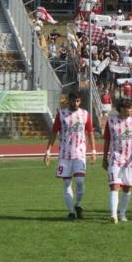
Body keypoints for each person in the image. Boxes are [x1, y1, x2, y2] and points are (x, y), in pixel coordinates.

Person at [44, 92, 97, 220]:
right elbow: (54, 132)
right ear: (69, 101)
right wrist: (48, 151)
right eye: (73, 101)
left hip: (79, 153)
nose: (76, 103)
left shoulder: (85, 114)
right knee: (67, 184)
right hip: (64, 155)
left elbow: (90, 133)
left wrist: (94, 150)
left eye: (78, 101)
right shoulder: (61, 114)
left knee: (80, 181)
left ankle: (78, 205)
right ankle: (71, 212)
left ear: (80, 101)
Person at [102, 98, 132, 223]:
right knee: (114, 185)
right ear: (121, 109)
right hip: (115, 158)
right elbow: (107, 141)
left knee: (127, 188)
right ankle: (113, 215)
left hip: (130, 159)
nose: (131, 110)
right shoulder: (111, 121)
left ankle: (122, 213)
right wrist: (104, 157)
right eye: (128, 108)